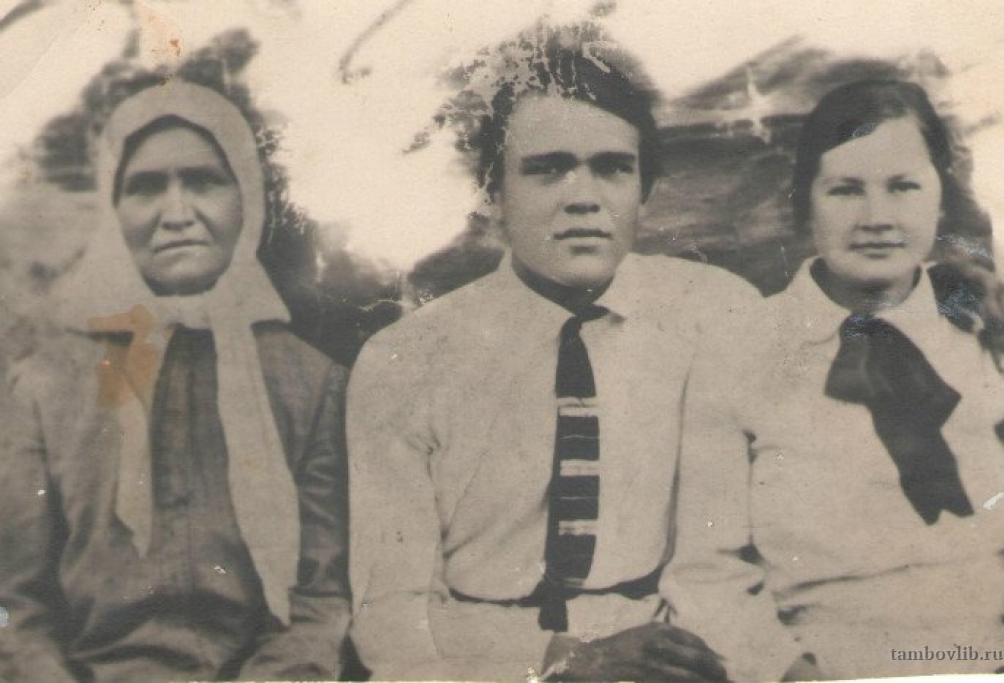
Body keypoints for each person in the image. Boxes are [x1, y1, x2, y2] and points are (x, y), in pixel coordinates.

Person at [345, 24, 752, 681]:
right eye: (547, 169)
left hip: (664, 653)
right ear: (492, 194)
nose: (583, 198)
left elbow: (721, 563)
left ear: (644, 190)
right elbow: (390, 619)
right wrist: (566, 661)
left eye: (613, 168)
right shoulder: (407, 359)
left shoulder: (710, 312)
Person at [660, 79, 1004, 681]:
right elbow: (707, 572)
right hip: (823, 667)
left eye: (903, 186)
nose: (876, 218)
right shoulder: (739, 349)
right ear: (805, 204)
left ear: (940, 197)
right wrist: (790, 673)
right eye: (846, 190)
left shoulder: (990, 328)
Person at [0, 81, 350, 682]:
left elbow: (320, 600)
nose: (177, 213)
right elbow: (15, 604)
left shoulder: (312, 384)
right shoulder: (45, 386)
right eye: (145, 187)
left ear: (247, 197)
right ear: (112, 208)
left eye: (204, 181)